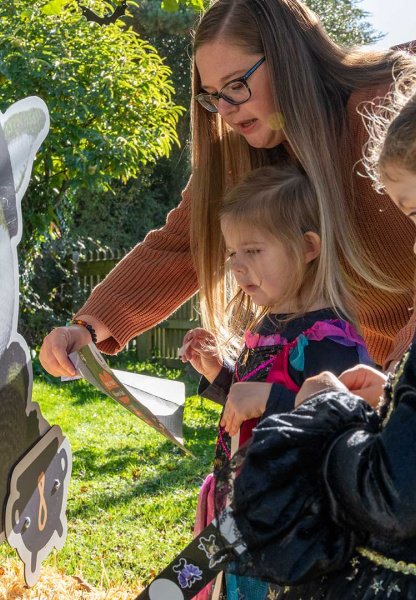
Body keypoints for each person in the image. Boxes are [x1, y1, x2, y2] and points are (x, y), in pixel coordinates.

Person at [40, 0, 416, 380]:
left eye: (237, 85)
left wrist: (400, 380)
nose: (225, 109)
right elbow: (183, 242)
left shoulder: (385, 109)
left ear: (290, 59)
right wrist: (87, 328)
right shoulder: (252, 153)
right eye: (212, 95)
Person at [180, 163, 371, 600]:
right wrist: (220, 374)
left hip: (283, 524)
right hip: (238, 506)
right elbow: (251, 405)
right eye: (232, 254)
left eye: (253, 251)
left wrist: (267, 396)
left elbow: (340, 427)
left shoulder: (329, 338)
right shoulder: (270, 326)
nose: (237, 266)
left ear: (307, 247)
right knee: (208, 589)